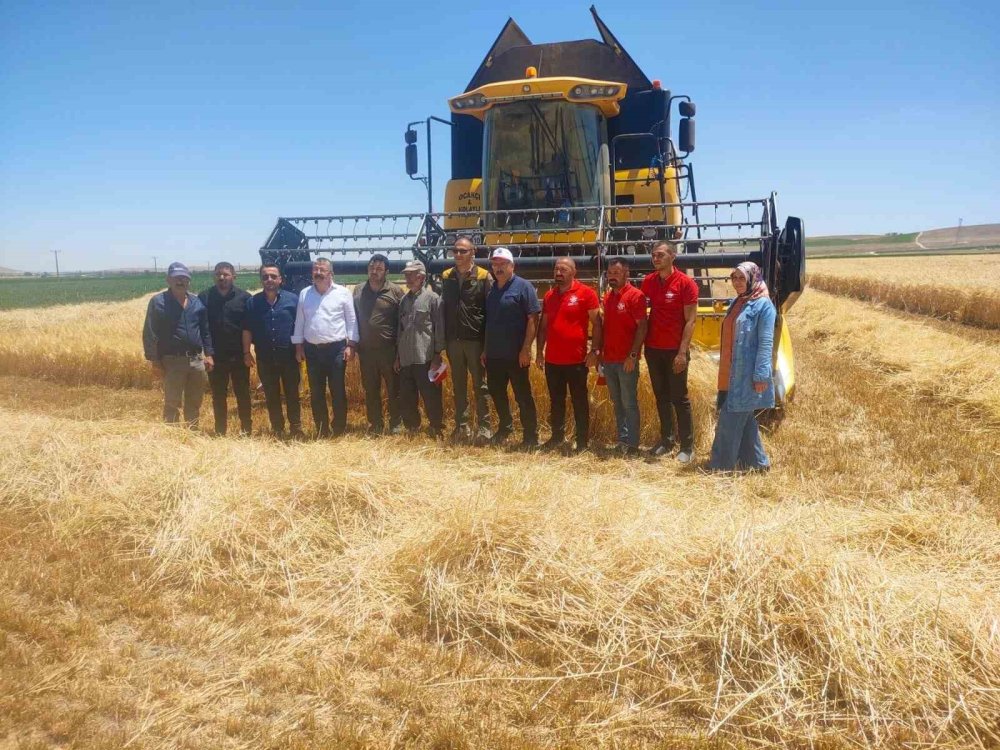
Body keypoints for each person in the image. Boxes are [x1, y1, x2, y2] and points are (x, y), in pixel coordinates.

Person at [708, 262, 776, 472]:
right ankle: (757, 463)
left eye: (741, 278)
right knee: (744, 421)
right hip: (730, 372)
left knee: (729, 422)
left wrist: (761, 375)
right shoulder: (738, 302)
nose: (737, 282)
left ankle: (720, 467)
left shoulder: (764, 306)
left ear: (752, 278)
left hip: (747, 375)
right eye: (734, 278)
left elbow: (766, 343)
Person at [641, 240, 699, 463]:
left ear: (673, 256)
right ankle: (666, 441)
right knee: (661, 397)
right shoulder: (649, 282)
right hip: (653, 350)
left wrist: (682, 353)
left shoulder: (686, 284)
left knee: (679, 398)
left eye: (661, 255)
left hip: (675, 351)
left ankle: (687, 447)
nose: (656, 258)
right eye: (654, 255)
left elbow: (691, 321)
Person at [535, 257, 601, 452]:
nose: (558, 273)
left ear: (574, 272)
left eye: (563, 269)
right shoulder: (549, 296)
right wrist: (539, 352)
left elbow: (597, 323)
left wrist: (594, 350)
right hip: (553, 360)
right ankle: (557, 437)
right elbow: (544, 326)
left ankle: (582, 442)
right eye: (556, 269)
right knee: (556, 401)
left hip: (577, 360)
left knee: (579, 401)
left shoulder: (586, 293)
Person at [292, 258, 359, 437]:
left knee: (337, 390)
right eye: (315, 270)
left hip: (336, 349)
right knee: (316, 391)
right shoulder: (305, 293)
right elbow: (300, 321)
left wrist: (351, 344)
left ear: (331, 274)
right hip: (312, 350)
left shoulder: (343, 293)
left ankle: (339, 427)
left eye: (322, 270)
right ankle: (321, 428)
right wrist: (298, 347)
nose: (318, 273)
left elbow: (351, 321)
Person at [142, 261, 214, 428]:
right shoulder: (158, 302)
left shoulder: (196, 303)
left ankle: (192, 432)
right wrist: (154, 361)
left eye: (184, 278)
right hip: (172, 361)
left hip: (196, 361)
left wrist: (209, 354)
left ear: (189, 280)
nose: (181, 281)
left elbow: (205, 330)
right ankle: (172, 436)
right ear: (168, 280)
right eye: (177, 278)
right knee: (172, 402)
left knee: (194, 401)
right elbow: (149, 332)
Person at [482, 247, 541, 449]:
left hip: (516, 355)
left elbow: (533, 318)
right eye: (495, 264)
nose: (497, 268)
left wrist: (526, 349)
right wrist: (485, 349)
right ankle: (505, 427)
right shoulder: (491, 291)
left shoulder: (524, 287)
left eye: (502, 264)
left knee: (522, 395)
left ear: (511, 266)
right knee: (497, 392)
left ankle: (531, 435)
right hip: (495, 354)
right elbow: (489, 322)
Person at [441, 235, 492, 443]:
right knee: (458, 385)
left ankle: (485, 428)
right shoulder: (446, 276)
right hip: (454, 340)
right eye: (455, 251)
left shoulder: (483, 276)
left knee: (480, 386)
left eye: (463, 251)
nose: (458, 255)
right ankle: (462, 427)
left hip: (475, 340)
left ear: (473, 252)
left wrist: (486, 345)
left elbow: (490, 313)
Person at [242, 264, 303, 439]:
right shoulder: (252, 303)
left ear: (280, 279)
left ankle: (296, 428)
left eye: (273, 276)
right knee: (271, 394)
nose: (269, 280)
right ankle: (277, 429)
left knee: (292, 393)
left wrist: (301, 348)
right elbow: (247, 329)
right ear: (261, 280)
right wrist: (247, 353)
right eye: (265, 276)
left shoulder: (293, 300)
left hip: (289, 356)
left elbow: (301, 326)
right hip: (265, 358)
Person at [601, 257, 648, 456]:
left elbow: (642, 327)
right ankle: (622, 439)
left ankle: (633, 445)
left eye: (616, 273)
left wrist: (633, 355)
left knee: (629, 403)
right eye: (610, 274)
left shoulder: (636, 296)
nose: (612, 277)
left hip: (626, 360)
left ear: (626, 274)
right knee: (617, 402)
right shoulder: (607, 297)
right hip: (609, 360)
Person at [198, 262, 252, 436]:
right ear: (214, 276)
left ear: (233, 277)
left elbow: (249, 328)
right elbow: (202, 328)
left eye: (226, 274)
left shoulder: (244, 298)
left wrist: (247, 352)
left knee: (242, 394)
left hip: (238, 355)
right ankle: (220, 431)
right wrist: (207, 354)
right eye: (218, 274)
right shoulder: (204, 297)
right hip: (215, 356)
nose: (222, 278)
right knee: (218, 396)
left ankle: (246, 430)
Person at [354, 253, 405, 434]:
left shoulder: (396, 292)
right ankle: (375, 423)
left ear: (386, 272)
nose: (374, 272)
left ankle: (396, 424)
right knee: (371, 389)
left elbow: (403, 323)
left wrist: (399, 353)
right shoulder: (359, 290)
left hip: (388, 351)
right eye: (371, 268)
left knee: (394, 389)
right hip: (366, 352)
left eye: (379, 269)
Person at [395, 259, 446, 436]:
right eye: (406, 274)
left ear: (422, 277)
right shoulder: (403, 301)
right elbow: (399, 330)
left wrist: (437, 355)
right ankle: (412, 427)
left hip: (425, 356)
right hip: (407, 357)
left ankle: (436, 427)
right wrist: (398, 357)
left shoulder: (433, 299)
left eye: (411, 274)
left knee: (431, 395)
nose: (407, 278)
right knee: (408, 396)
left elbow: (439, 328)